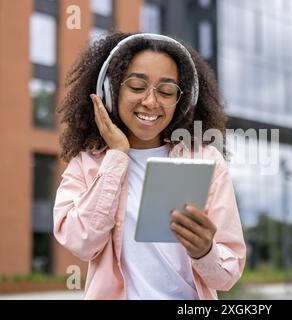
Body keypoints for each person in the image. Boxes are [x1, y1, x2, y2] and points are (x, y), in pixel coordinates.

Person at [53, 32, 246, 300]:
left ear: (182, 101)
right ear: (111, 91)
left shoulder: (206, 160)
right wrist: (117, 157)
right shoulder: (87, 164)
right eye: (136, 86)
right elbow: (80, 242)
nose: (151, 102)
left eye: (166, 91)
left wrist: (205, 251)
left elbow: (228, 274)